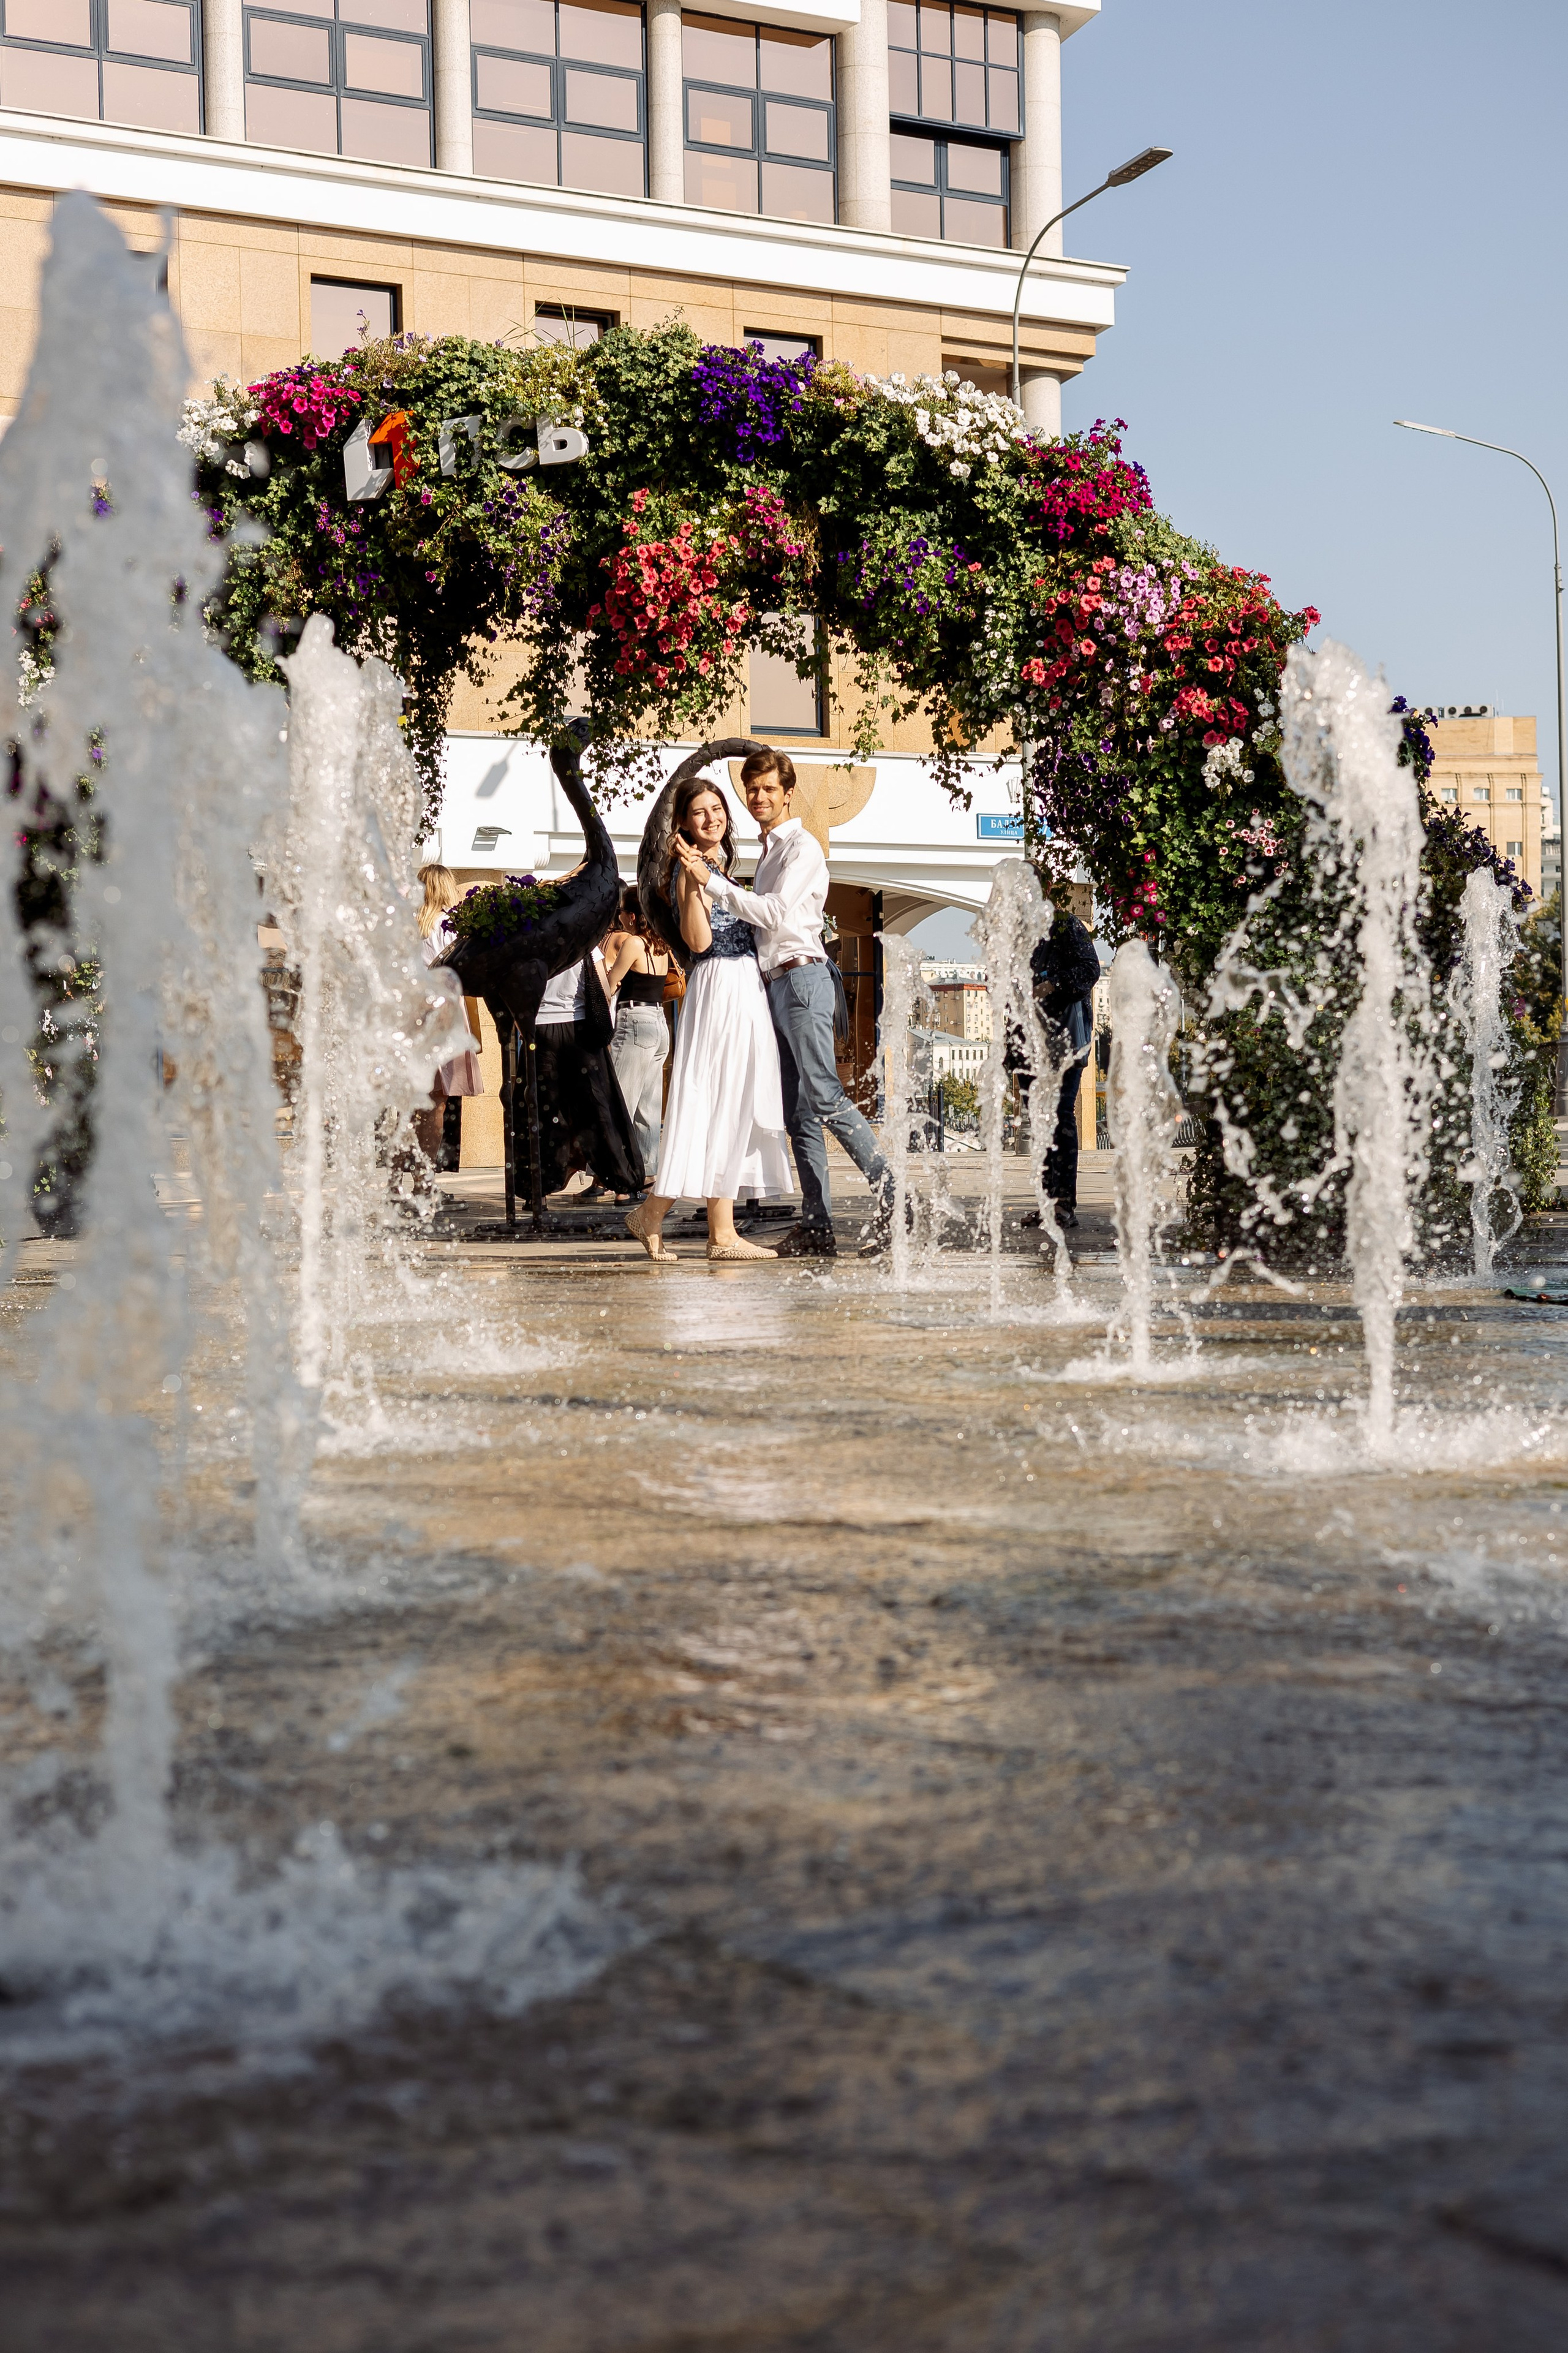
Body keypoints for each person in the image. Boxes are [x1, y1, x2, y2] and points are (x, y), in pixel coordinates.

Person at [678, 747, 891, 1258]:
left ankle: (896, 1198)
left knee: (824, 1096)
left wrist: (713, 884)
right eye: (752, 789)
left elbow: (772, 914)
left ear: (787, 792)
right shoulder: (768, 852)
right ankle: (818, 1226)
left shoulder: (803, 848)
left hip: (803, 980)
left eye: (769, 788)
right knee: (798, 1114)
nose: (759, 797)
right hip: (774, 985)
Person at [625, 774, 788, 1263]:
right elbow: (698, 943)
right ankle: (710, 1231)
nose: (712, 817)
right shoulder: (687, 871)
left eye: (717, 808)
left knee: (732, 1103)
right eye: (700, 811)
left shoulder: (722, 865)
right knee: (715, 1101)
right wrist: (695, 881)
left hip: (743, 986)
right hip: (719, 985)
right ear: (684, 823)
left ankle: (680, 1221)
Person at [533, 942, 646, 1201]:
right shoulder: (584, 944)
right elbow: (604, 990)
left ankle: (539, 1188)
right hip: (579, 1028)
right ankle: (622, 1180)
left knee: (546, 1108)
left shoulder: (534, 944)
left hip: (541, 1029)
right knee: (599, 1105)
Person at [1022, 903, 1101, 1229]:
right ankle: (1046, 1203)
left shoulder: (1066, 925)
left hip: (1065, 1036)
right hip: (1029, 1039)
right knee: (1039, 1121)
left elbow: (1089, 970)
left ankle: (1064, 1205)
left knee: (1060, 1116)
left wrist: (1051, 984)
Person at [600, 885, 671, 1199]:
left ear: (630, 916)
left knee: (620, 1102)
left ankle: (620, 1179)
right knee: (649, 1107)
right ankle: (648, 1175)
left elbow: (612, 984)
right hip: (660, 1024)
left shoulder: (634, 944)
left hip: (635, 1022)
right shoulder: (661, 945)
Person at [415, 861, 483, 1171]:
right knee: (437, 1105)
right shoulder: (449, 928)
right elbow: (462, 979)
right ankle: (424, 1182)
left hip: (411, 1018)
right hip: (443, 1018)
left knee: (412, 1105)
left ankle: (395, 1183)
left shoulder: (407, 926)